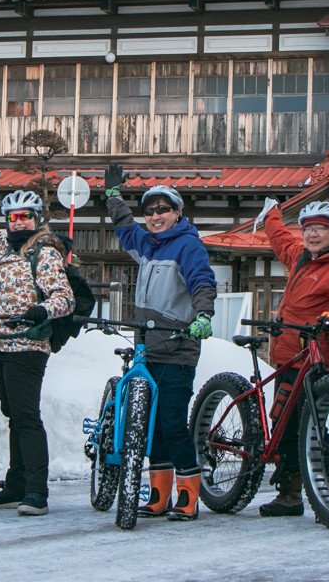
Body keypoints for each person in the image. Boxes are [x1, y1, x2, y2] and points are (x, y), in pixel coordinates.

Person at [103, 164, 216, 522]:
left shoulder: (188, 246)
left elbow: (202, 282)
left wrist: (203, 316)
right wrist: (112, 197)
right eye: (149, 211)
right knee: (152, 426)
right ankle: (158, 495)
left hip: (178, 349)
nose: (154, 216)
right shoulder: (147, 247)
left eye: (162, 210)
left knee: (172, 421)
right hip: (147, 351)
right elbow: (124, 228)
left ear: (177, 214)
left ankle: (188, 497)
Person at [251, 198, 329, 517]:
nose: (313, 235)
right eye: (309, 229)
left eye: (320, 229)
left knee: (308, 426)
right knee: (285, 422)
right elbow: (280, 239)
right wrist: (272, 213)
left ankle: (325, 491)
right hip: (287, 356)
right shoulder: (300, 257)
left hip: (313, 358)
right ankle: (292, 494)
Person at [0, 190, 74, 516]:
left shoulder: (44, 253)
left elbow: (64, 297)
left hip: (27, 346)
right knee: (14, 416)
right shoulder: (10, 248)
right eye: (14, 217)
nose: (20, 221)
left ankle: (37, 491)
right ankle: (15, 486)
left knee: (27, 418)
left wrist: (43, 310)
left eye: (26, 215)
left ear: (37, 219)